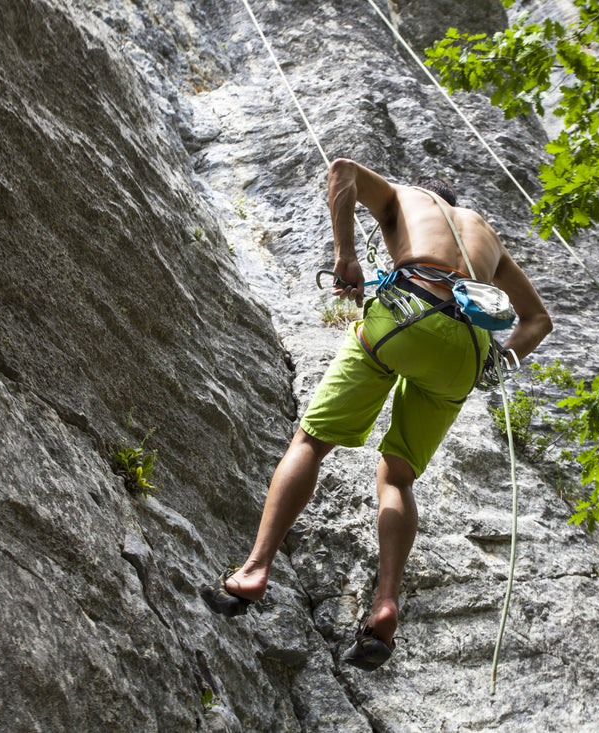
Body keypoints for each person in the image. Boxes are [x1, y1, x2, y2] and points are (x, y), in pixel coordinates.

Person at [200, 158, 552, 670]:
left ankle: (254, 570)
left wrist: (346, 257)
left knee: (311, 442)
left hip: (407, 311)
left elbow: (341, 170)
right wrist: (495, 366)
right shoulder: (485, 233)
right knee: (398, 476)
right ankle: (385, 602)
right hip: (469, 349)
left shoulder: (404, 197)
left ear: (423, 195)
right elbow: (538, 319)